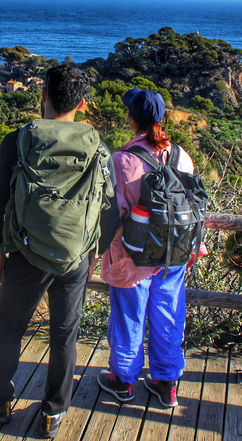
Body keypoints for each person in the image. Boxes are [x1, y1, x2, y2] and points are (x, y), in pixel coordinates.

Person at [0, 64, 118, 438]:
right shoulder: (100, 150)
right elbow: (112, 212)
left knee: (9, 329)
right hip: (75, 259)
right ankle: (54, 412)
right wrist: (93, 255)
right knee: (64, 337)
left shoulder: (17, 141)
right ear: (82, 104)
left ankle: (0, 399)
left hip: (24, 253)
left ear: (43, 97)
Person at [96, 88, 199, 408]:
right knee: (169, 315)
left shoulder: (122, 160)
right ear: (161, 120)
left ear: (131, 120)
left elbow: (111, 213)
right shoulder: (183, 156)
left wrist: (98, 252)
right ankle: (166, 383)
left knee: (129, 317)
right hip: (174, 254)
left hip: (133, 255)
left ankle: (124, 381)